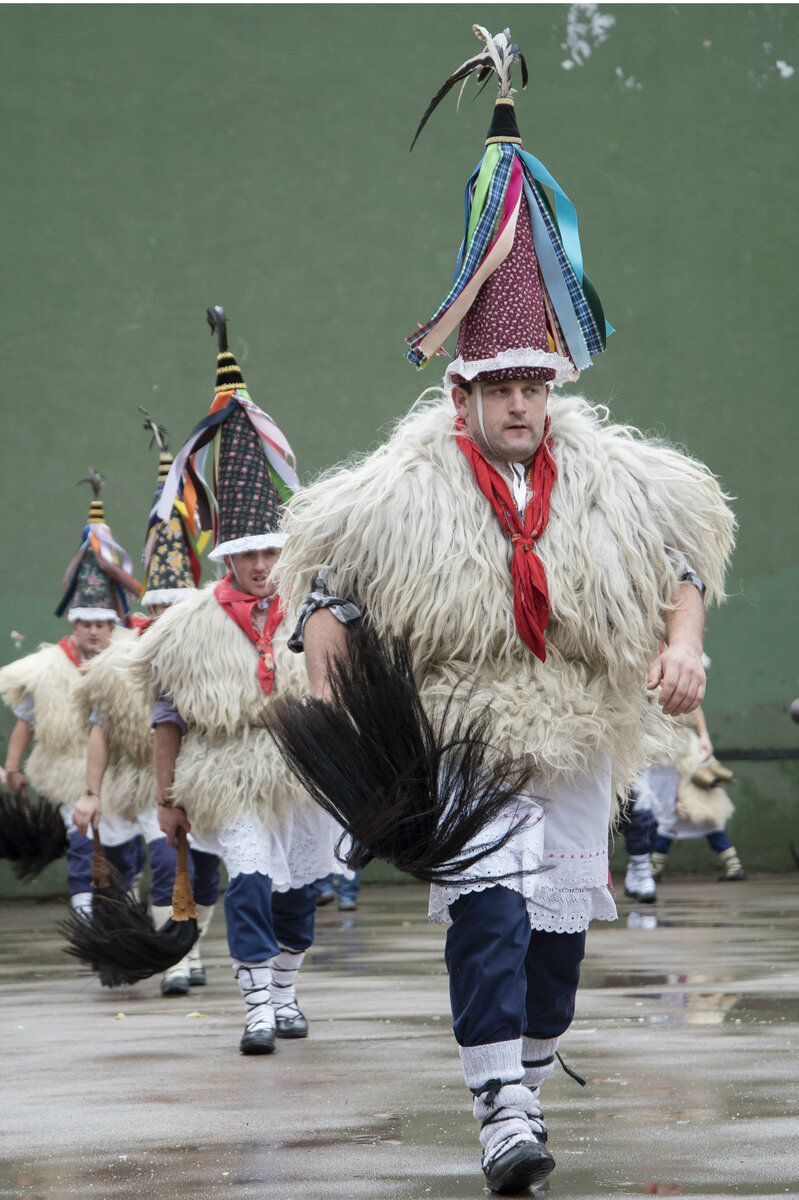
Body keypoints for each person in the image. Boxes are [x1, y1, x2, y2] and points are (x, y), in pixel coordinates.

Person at [275, 28, 735, 1196]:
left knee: (558, 945)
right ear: (462, 390)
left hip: (579, 729)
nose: (522, 402)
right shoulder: (404, 487)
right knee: (486, 915)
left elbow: (688, 549)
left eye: (536, 382)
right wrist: (333, 699)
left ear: (553, 385)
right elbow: (327, 582)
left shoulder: (618, 478)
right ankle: (500, 1108)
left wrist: (681, 645)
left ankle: (528, 1069)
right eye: (501, 386)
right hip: (467, 733)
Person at [128, 307, 350, 1054]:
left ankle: (286, 990)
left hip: (301, 770)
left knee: (298, 891)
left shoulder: (313, 611)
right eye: (249, 554)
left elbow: (342, 695)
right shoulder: (187, 624)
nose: (260, 565)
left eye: (269, 553)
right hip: (226, 770)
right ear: (227, 557)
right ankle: (256, 1002)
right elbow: (166, 715)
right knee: (251, 879)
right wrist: (165, 799)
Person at [72, 416, 221, 994]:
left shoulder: (211, 652)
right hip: (140, 785)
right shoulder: (120, 661)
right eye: (159, 612)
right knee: (154, 867)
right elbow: (100, 730)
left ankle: (188, 942)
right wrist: (91, 791)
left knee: (198, 876)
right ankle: (174, 960)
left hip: (201, 782)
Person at [0, 474, 144, 911]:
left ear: (111, 623)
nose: (95, 631)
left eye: (102, 623)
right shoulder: (48, 668)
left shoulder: (131, 658)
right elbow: (27, 719)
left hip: (121, 777)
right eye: (86, 623)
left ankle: (125, 918)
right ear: (74, 623)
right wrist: (11, 768)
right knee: (85, 851)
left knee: (125, 854)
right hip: (69, 774)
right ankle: (89, 927)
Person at [647, 704, 745, 883]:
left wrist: (704, 736)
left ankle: (653, 870)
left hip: (679, 749)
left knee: (698, 815)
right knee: (669, 818)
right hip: (663, 749)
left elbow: (695, 705)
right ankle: (652, 870)